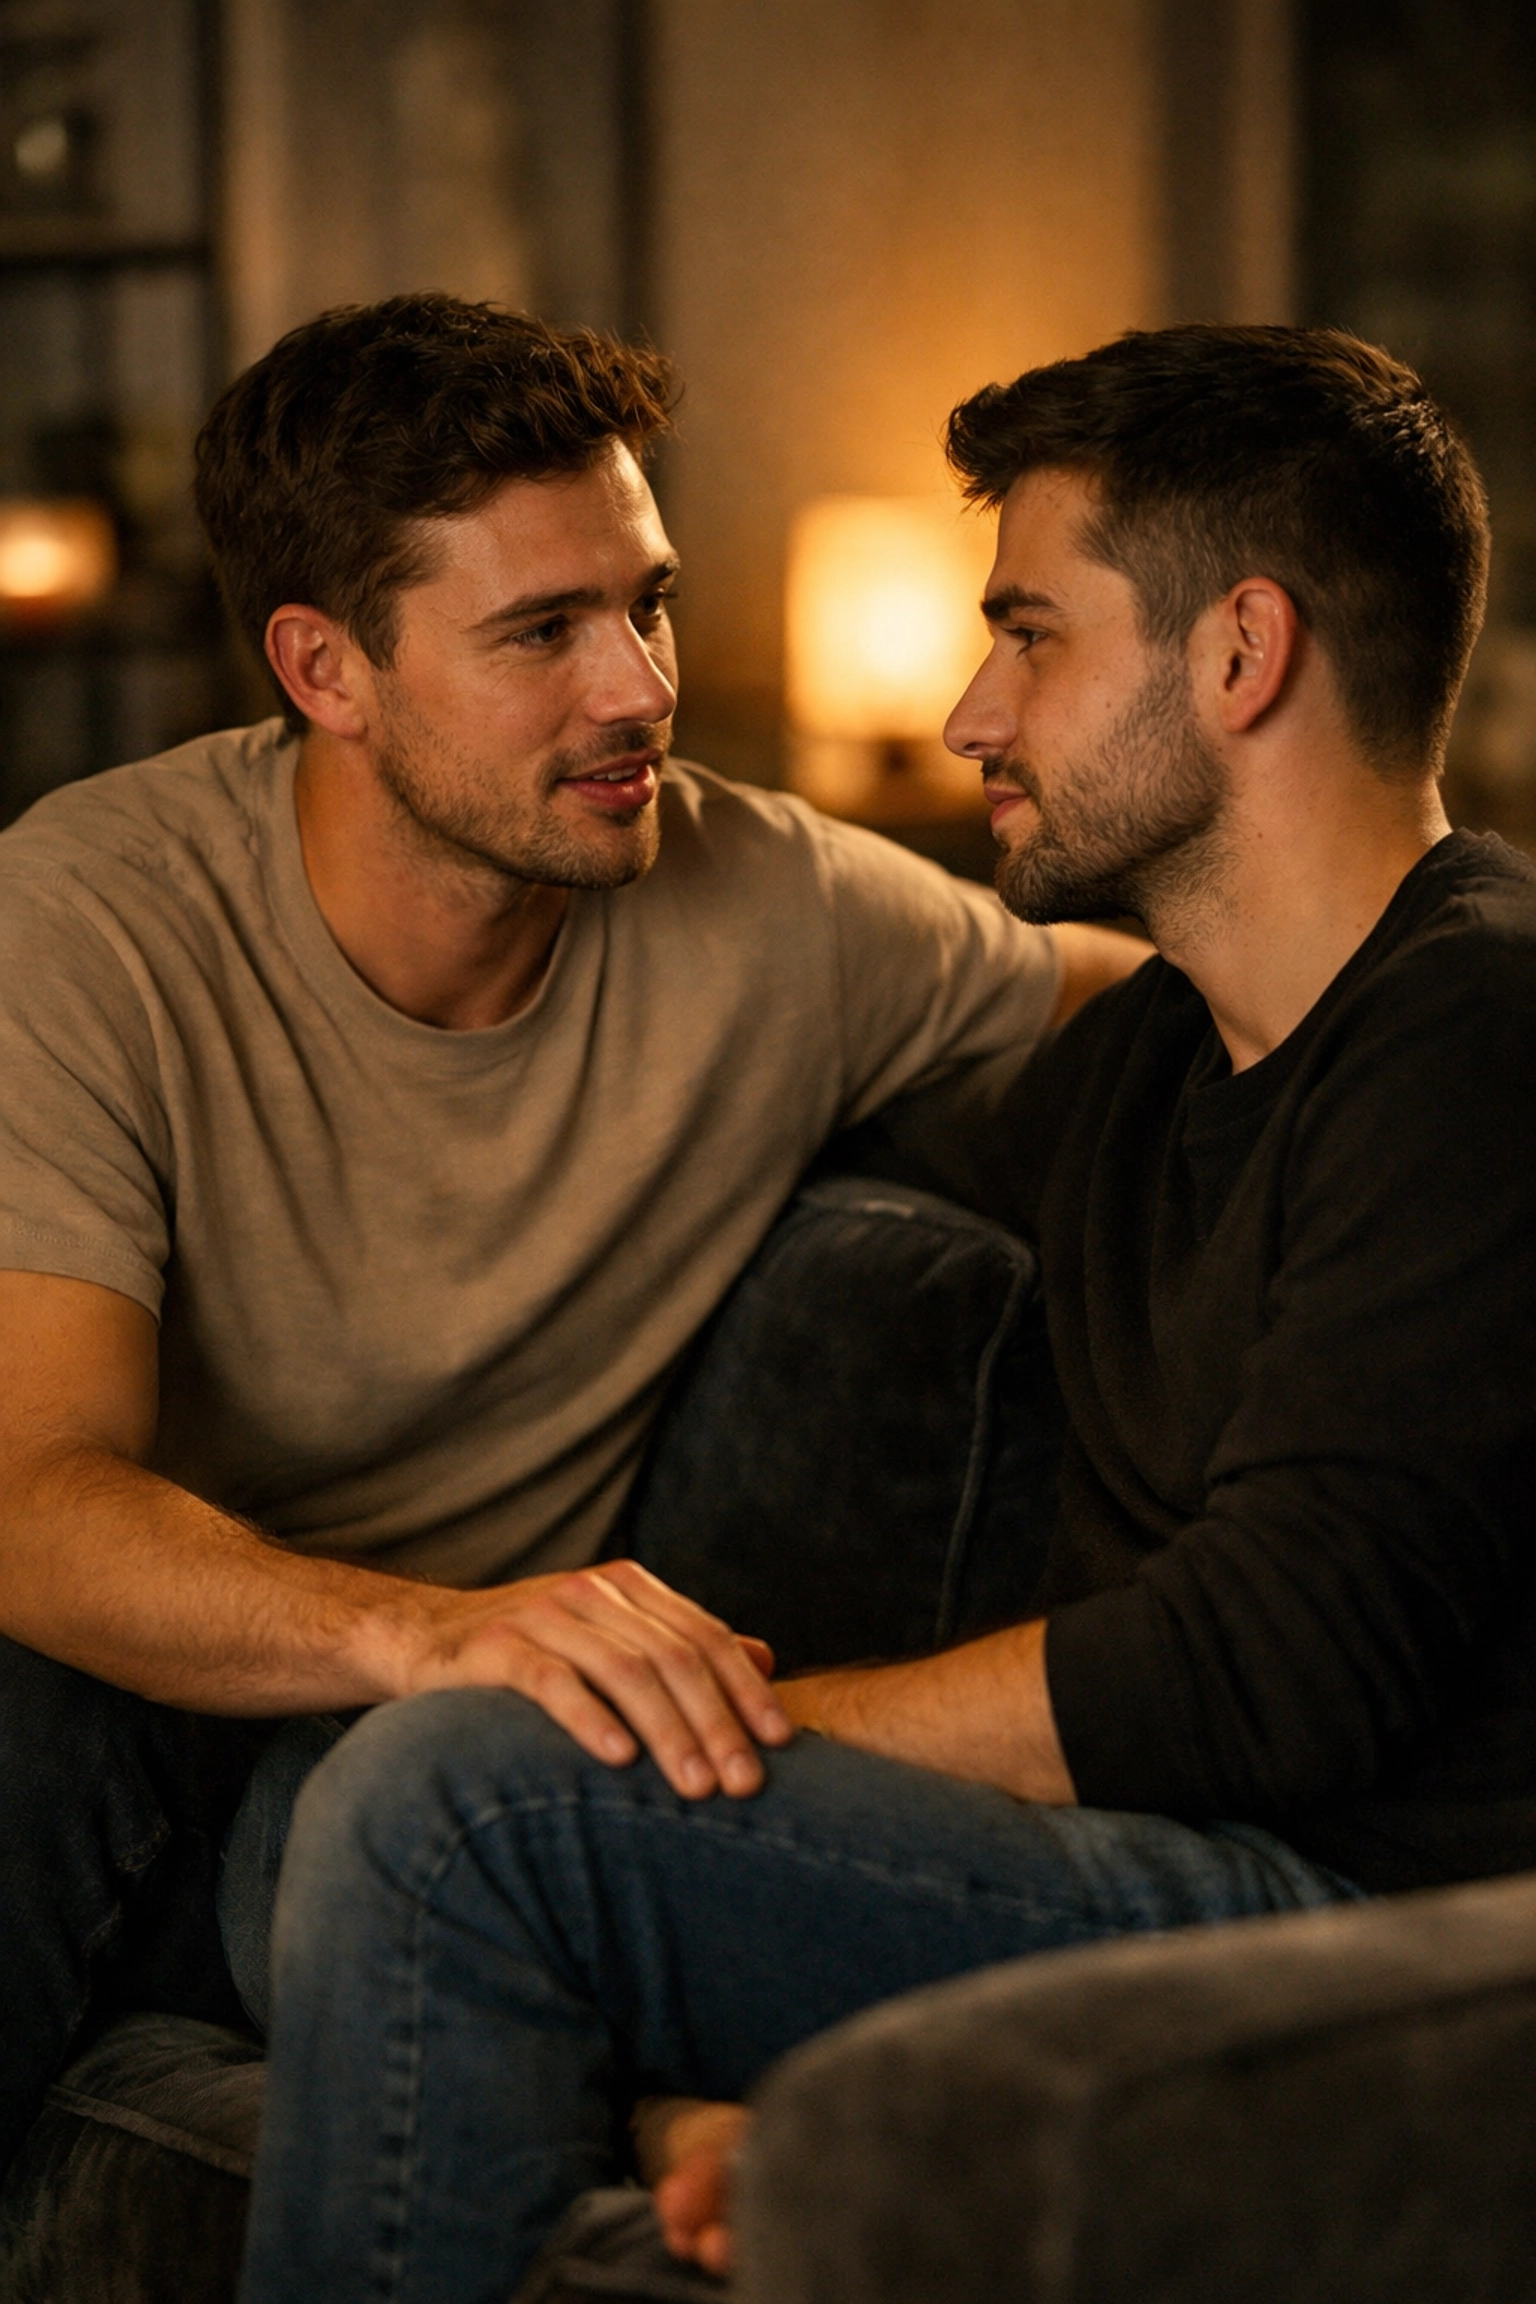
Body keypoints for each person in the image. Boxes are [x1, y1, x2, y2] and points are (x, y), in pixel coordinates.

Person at [233, 321, 1535, 2304]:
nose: (967, 714)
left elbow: (1278, 1663)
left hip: (1391, 1951)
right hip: (1165, 1868)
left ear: (1243, 654)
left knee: (467, 1799)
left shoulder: (1481, 1029)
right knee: (318, 1788)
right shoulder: (1149, 1066)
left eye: (1030, 635)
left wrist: (699, 1731)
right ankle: (685, 2117)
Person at [0, 294, 1141, 2175]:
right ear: (325, 668)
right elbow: (35, 1496)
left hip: (426, 1779)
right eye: (541, 631)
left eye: (649, 603)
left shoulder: (768, 903)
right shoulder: (88, 919)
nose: (637, 689)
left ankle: (663, 2094)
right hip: (141, 1692)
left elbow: (1144, 1002)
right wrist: (431, 1635)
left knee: (405, 1813)